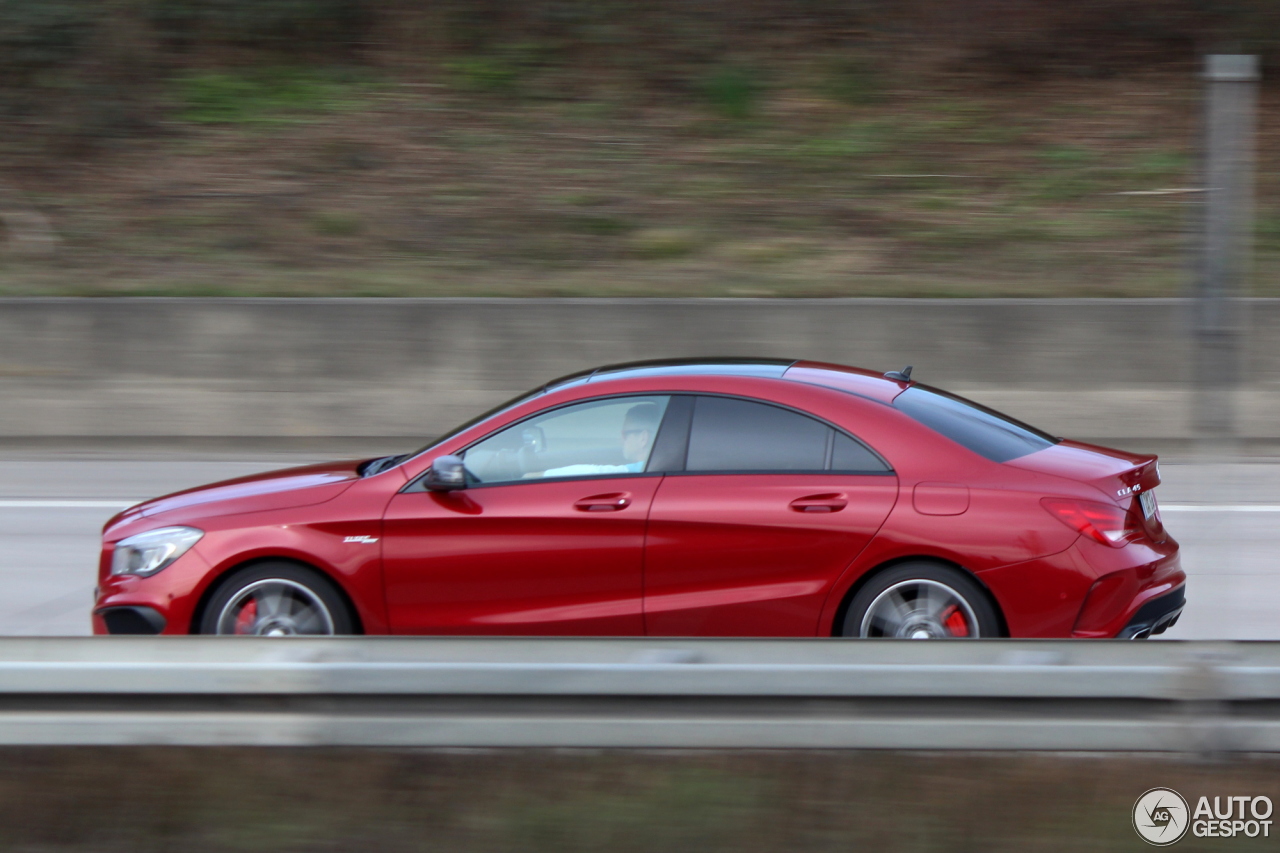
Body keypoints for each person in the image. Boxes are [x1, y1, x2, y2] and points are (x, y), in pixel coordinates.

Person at [541, 402, 661, 478]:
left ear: (643, 438)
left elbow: (596, 472)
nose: (620, 441)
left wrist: (539, 476)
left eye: (624, 434)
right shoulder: (660, 466)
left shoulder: (643, 470)